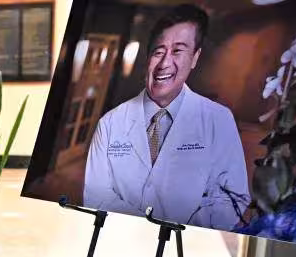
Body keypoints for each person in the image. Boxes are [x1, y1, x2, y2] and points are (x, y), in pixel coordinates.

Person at [83, 4, 250, 230]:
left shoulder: (219, 120)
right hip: (121, 239)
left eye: (178, 51)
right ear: (148, 57)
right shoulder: (110, 123)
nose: (164, 64)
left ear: (195, 58)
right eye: (158, 51)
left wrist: (177, 230)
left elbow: (232, 198)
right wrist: (143, 230)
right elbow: (96, 196)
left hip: (186, 243)